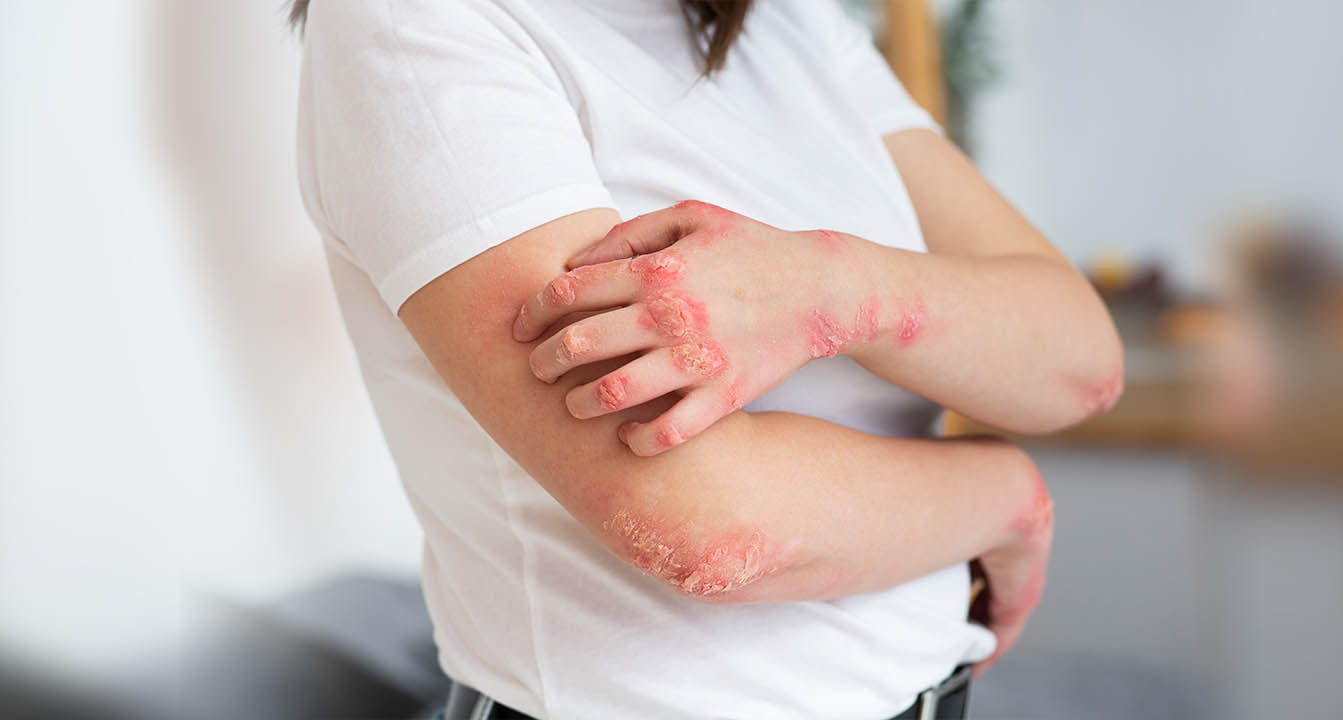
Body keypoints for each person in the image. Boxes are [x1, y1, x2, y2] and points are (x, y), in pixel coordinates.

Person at [292, 0, 1122, 717]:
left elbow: (1078, 361)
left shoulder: (792, 22)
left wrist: (828, 287)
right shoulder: (416, 22)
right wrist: (1008, 494)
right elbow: (708, 527)